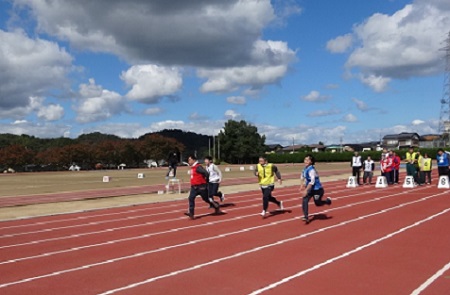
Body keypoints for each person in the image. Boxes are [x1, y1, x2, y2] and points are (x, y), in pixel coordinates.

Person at [184, 154, 221, 220]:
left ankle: (216, 206)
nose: (188, 161)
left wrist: (206, 181)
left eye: (189, 160)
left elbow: (206, 173)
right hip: (194, 187)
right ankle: (191, 213)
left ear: (193, 160)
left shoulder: (198, 167)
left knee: (206, 199)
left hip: (201, 187)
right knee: (191, 198)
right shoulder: (193, 167)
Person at [300, 154, 332, 224]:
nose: (305, 161)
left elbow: (312, 181)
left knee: (317, 203)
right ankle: (306, 217)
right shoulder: (304, 169)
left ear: (311, 162)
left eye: (307, 160)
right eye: (305, 159)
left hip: (317, 190)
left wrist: (305, 190)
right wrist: (301, 185)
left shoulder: (312, 170)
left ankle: (327, 201)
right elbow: (302, 177)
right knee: (304, 200)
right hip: (310, 189)